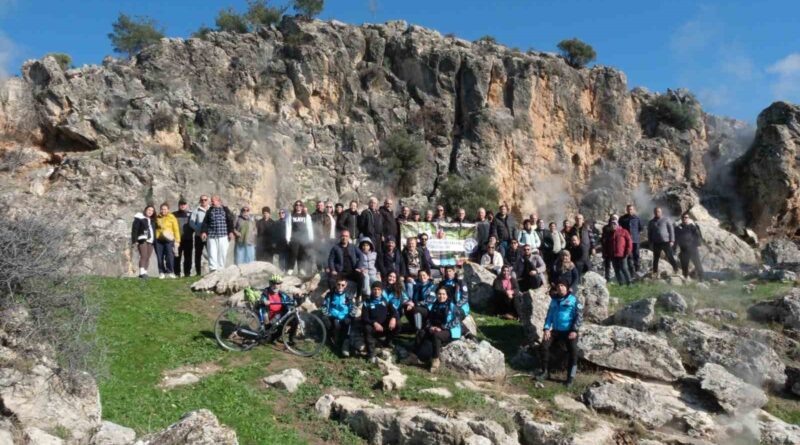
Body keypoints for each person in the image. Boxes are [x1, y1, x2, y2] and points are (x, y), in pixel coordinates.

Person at [536, 279, 583, 387]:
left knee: (573, 351)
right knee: (544, 345)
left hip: (569, 331)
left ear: (566, 287)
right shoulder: (554, 300)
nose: (560, 287)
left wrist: (574, 330)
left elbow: (580, 317)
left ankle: (570, 378)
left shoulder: (574, 300)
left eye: (562, 285)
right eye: (558, 286)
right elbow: (549, 316)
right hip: (556, 331)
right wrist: (546, 329)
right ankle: (545, 372)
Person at [415, 287, 461, 372]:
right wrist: (430, 327)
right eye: (439, 294)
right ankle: (416, 354)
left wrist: (443, 327)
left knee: (437, 336)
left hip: (450, 330)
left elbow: (457, 320)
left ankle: (435, 360)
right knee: (421, 333)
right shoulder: (435, 304)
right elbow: (429, 319)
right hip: (436, 328)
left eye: (443, 294)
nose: (441, 296)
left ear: (447, 295)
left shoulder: (452, 305)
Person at [362, 281, 398, 361]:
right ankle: (371, 354)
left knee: (398, 324)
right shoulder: (366, 302)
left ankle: (387, 343)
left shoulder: (385, 300)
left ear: (381, 291)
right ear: (371, 290)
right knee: (367, 327)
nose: (376, 291)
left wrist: (393, 318)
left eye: (379, 289)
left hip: (384, 327)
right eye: (375, 289)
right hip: (373, 328)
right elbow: (364, 318)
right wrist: (374, 323)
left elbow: (394, 311)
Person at [200, 195, 235, 273]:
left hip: (223, 235)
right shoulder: (209, 211)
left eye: (213, 201)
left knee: (223, 252)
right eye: (211, 201)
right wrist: (204, 232)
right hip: (212, 236)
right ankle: (213, 269)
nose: (211, 202)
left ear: (219, 201)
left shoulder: (225, 210)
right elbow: (205, 223)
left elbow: (230, 222)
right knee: (212, 252)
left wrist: (231, 232)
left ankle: (221, 269)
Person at [256, 275, 296, 342]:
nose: (276, 285)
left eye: (278, 283)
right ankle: (268, 336)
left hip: (279, 319)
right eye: (274, 283)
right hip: (268, 320)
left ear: (280, 285)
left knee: (295, 319)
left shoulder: (282, 295)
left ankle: (291, 340)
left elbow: (289, 302)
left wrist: (297, 300)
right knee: (267, 339)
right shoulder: (265, 292)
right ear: (270, 283)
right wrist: (263, 301)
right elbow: (259, 298)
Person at [323, 276, 354, 356]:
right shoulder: (330, 294)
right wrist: (329, 315)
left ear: (346, 285)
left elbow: (353, 308)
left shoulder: (349, 296)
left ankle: (344, 346)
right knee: (330, 322)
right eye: (338, 284)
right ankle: (331, 342)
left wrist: (350, 316)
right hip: (332, 316)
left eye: (342, 285)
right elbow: (324, 307)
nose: (340, 286)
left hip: (344, 317)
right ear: (336, 284)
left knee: (347, 324)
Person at [647, 207, 679, 275]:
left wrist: (672, 240)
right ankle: (655, 272)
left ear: (661, 212)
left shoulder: (666, 219)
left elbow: (671, 230)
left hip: (665, 241)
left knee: (670, 256)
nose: (657, 213)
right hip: (656, 242)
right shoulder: (651, 222)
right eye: (656, 211)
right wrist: (650, 242)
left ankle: (676, 269)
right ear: (654, 212)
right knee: (656, 258)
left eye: (658, 211)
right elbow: (649, 233)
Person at [286, 200, 314, 275]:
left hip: (304, 238)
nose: (298, 206)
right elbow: (288, 227)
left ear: (302, 206)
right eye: (297, 205)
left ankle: (301, 269)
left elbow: (309, 227)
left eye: (300, 205)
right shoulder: (291, 215)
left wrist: (311, 239)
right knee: (293, 253)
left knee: (302, 254)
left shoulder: (306, 216)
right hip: (294, 238)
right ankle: (290, 269)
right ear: (295, 207)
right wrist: (288, 238)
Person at [675, 213, 704, 281]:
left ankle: (701, 279)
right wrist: (674, 248)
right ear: (681, 219)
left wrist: (696, 245)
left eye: (686, 217)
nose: (684, 218)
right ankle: (685, 279)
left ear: (688, 218)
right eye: (683, 217)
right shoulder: (677, 228)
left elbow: (697, 237)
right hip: (684, 250)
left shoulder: (692, 227)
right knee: (684, 266)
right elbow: (675, 239)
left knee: (698, 264)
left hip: (693, 249)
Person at [155, 202, 181, 279]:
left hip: (169, 239)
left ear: (168, 210)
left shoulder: (172, 217)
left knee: (170, 256)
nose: (163, 210)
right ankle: (161, 272)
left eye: (165, 209)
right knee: (160, 257)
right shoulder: (157, 217)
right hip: (159, 239)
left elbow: (176, 229)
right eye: (162, 209)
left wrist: (177, 241)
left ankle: (170, 271)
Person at [605, 216, 633, 285]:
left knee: (624, 268)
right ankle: (621, 283)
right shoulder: (609, 233)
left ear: (617, 224)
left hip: (623, 254)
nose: (613, 225)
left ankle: (629, 282)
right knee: (616, 269)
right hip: (613, 254)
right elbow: (606, 244)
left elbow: (629, 241)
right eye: (612, 224)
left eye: (614, 224)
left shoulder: (624, 231)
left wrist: (628, 251)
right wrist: (606, 253)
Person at [131, 205, 156, 278]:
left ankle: (145, 272)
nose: (150, 212)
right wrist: (134, 240)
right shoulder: (139, 217)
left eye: (152, 211)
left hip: (151, 240)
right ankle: (141, 272)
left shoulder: (152, 220)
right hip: (142, 239)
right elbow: (134, 229)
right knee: (143, 255)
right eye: (149, 210)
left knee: (148, 257)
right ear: (145, 210)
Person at [189, 195, 210, 276]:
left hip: (209, 236)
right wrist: (199, 230)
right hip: (198, 236)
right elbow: (191, 222)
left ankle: (213, 271)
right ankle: (198, 273)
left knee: (211, 253)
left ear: (208, 200)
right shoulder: (196, 210)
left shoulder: (211, 209)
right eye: (202, 200)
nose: (203, 201)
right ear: (200, 201)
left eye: (205, 199)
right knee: (198, 254)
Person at [619, 204, 643, 273]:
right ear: (626, 210)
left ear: (634, 210)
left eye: (631, 209)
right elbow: (620, 229)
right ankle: (631, 271)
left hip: (635, 240)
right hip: (626, 241)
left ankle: (637, 269)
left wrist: (636, 234)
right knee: (628, 255)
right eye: (628, 209)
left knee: (636, 254)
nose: (630, 211)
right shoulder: (622, 219)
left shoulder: (637, 218)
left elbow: (640, 228)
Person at [311, 201, 335, 272]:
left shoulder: (331, 215)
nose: (328, 208)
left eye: (330, 207)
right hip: (324, 237)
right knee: (322, 253)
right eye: (327, 207)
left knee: (329, 254)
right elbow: (320, 227)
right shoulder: (323, 215)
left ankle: (328, 268)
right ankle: (321, 269)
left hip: (332, 237)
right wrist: (322, 236)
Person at [172, 199, 193, 278]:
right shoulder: (173, 214)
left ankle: (187, 273)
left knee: (188, 258)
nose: (183, 206)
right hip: (177, 240)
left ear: (186, 205)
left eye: (184, 204)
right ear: (178, 205)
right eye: (181, 204)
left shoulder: (191, 214)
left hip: (188, 239)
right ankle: (177, 273)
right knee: (177, 257)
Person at [382, 271, 408, 336]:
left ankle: (389, 340)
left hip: (395, 312)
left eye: (394, 277)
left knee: (398, 325)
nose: (391, 278)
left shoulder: (399, 288)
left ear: (396, 279)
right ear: (387, 277)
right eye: (390, 276)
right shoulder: (381, 287)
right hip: (382, 311)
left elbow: (407, 298)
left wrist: (408, 303)